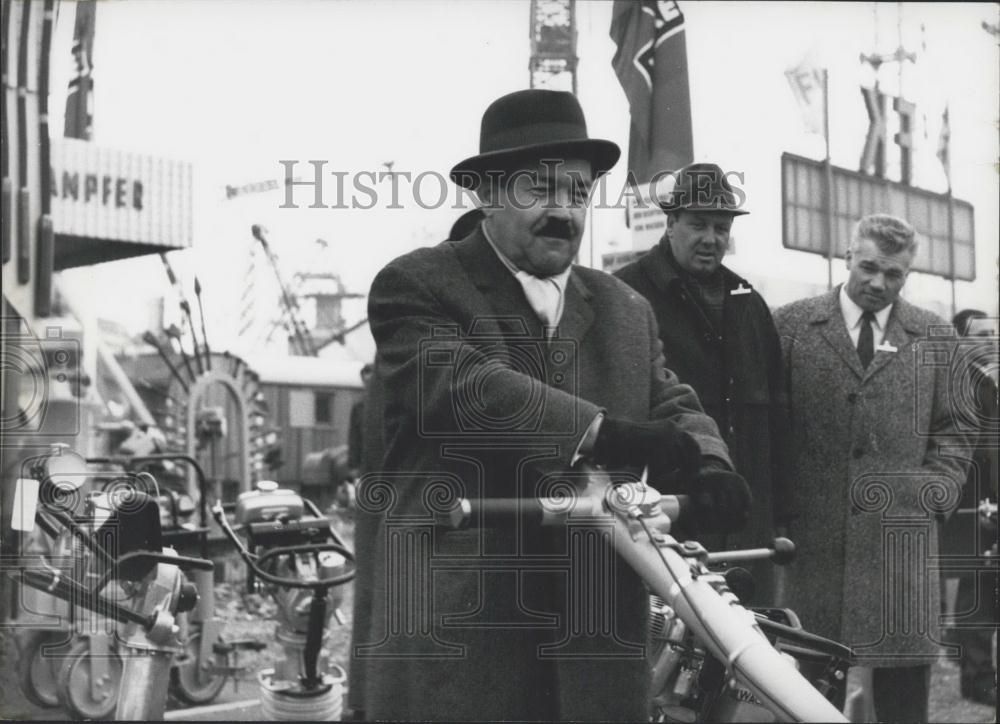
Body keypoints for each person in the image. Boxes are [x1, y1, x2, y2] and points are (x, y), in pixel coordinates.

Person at [357, 88, 751, 721]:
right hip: (462, 644)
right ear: (486, 194)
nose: (562, 210)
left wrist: (711, 463)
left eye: (577, 192)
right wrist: (602, 431)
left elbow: (672, 398)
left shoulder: (624, 308)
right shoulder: (419, 284)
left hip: (593, 649)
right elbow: (463, 388)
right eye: (537, 189)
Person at [774, 213, 972, 723]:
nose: (878, 283)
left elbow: (956, 430)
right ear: (847, 256)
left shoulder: (933, 335)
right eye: (869, 268)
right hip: (811, 547)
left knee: (903, 700)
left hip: (900, 545)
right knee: (805, 695)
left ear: (907, 275)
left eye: (894, 275)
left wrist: (934, 497)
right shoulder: (791, 325)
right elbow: (769, 425)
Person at [615, 163, 791, 604]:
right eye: (697, 224)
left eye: (721, 226)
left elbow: (779, 416)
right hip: (665, 518)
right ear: (670, 223)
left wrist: (779, 512)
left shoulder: (749, 303)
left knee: (751, 650)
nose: (711, 238)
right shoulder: (625, 296)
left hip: (743, 520)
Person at [940, 308, 998, 707]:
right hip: (974, 500)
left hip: (986, 498)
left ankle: (978, 673)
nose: (992, 340)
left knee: (984, 584)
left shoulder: (985, 381)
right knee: (978, 586)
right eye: (981, 334)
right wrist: (984, 499)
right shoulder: (960, 383)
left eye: (994, 333)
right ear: (959, 340)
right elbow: (971, 449)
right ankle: (976, 677)